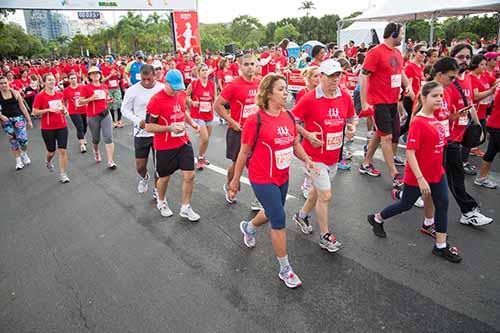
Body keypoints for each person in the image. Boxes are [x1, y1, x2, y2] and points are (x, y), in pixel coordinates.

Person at [229, 74, 314, 288]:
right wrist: (235, 180)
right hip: (261, 178)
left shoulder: (288, 116)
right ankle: (285, 269)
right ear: (268, 93)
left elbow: (295, 144)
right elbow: (243, 152)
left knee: (270, 212)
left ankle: (248, 227)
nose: (286, 93)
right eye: (281, 89)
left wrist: (306, 159)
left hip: (282, 176)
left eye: (286, 89)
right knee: (278, 217)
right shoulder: (255, 120)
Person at [367, 81, 462, 264]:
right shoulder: (418, 121)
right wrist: (421, 179)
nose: (439, 99)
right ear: (424, 97)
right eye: (435, 96)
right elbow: (410, 152)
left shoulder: (435, 118)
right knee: (406, 204)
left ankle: (440, 246)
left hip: (437, 173)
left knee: (443, 204)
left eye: (441, 96)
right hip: (418, 175)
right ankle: (377, 218)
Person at [291, 60, 356, 252]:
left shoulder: (345, 96)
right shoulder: (310, 98)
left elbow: (351, 117)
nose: (335, 79)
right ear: (321, 77)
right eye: (331, 76)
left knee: (316, 193)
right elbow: (291, 120)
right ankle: (325, 236)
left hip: (333, 155)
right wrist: (308, 135)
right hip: (313, 157)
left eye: (338, 75)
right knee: (325, 195)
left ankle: (301, 216)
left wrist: (351, 127)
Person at [359, 23, 415, 187]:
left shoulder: (397, 52)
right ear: (394, 33)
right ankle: (394, 174)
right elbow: (363, 77)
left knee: (383, 133)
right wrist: (364, 104)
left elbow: (401, 72)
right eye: (402, 33)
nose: (403, 37)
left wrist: (408, 86)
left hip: (392, 102)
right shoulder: (375, 52)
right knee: (387, 136)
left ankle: (366, 163)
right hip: (379, 102)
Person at [445, 44, 493, 226]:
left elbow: (470, 103)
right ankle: (468, 211)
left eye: (467, 57)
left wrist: (478, 126)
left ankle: (407, 193)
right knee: (455, 177)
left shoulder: (468, 80)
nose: (464, 60)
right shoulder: (447, 83)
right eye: (460, 57)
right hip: (447, 139)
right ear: (452, 58)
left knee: (439, 176)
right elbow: (443, 114)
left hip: (460, 135)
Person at [145, 69, 201, 220]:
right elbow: (149, 127)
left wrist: (192, 123)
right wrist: (169, 128)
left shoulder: (181, 94)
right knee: (164, 178)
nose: (177, 91)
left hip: (183, 141)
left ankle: (185, 207)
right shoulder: (156, 101)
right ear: (166, 82)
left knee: (190, 175)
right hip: (164, 147)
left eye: (179, 88)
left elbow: (183, 112)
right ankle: (161, 201)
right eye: (174, 88)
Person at [214, 54, 262, 210]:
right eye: (246, 64)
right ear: (240, 66)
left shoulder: (259, 83)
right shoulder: (234, 85)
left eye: (252, 64)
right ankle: (230, 186)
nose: (249, 67)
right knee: (236, 165)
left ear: (256, 65)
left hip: (256, 131)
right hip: (238, 131)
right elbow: (218, 105)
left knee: (257, 165)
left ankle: (258, 198)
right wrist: (232, 122)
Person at [122, 64, 164, 196]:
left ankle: (157, 190)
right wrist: (137, 121)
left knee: (159, 167)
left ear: (154, 76)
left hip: (158, 133)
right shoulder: (132, 90)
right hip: (141, 133)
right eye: (143, 79)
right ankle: (144, 177)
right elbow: (125, 110)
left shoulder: (162, 88)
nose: (146, 82)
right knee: (140, 166)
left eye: (149, 79)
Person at [32, 73, 70, 183]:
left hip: (62, 125)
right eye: (49, 80)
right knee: (51, 152)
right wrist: (48, 110)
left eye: (53, 80)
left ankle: (63, 174)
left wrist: (65, 110)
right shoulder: (40, 96)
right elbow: (34, 112)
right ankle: (48, 161)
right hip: (48, 128)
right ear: (44, 82)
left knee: (62, 150)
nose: (52, 82)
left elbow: (62, 106)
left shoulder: (59, 94)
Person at [79, 66, 117, 169]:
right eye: (93, 73)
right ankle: (96, 151)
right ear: (90, 76)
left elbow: (107, 98)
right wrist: (91, 98)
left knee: (108, 137)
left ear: (100, 75)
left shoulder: (104, 86)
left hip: (105, 114)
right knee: (96, 139)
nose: (96, 75)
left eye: (97, 73)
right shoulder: (86, 87)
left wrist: (109, 99)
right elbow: (80, 101)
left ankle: (110, 161)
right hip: (93, 116)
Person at [186, 63, 217, 170]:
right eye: (202, 70)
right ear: (198, 73)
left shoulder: (212, 84)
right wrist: (192, 102)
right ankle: (199, 159)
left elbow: (215, 99)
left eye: (206, 70)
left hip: (209, 113)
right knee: (205, 137)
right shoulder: (193, 84)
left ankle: (202, 156)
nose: (205, 72)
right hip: (198, 114)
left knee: (206, 139)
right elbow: (185, 96)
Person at [0, 76, 33, 170]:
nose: (3, 85)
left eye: (5, 83)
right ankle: (18, 161)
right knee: (13, 141)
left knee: (23, 139)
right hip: (6, 120)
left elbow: (22, 107)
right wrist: (2, 116)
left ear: (8, 83)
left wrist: (29, 120)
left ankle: (24, 153)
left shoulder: (15, 93)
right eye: (1, 83)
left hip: (18, 118)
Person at [469, 54, 499, 157]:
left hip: (483, 111)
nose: (484, 67)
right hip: (474, 112)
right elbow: (476, 96)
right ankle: (467, 156)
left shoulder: (484, 75)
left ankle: (473, 149)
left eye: (485, 64)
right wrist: (490, 91)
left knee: (482, 135)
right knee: (474, 135)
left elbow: (495, 82)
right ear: (475, 65)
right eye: (482, 64)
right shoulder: (471, 77)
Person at [475, 87, 500, 189]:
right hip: (497, 126)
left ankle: (481, 178)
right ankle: (481, 178)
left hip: (495, 124)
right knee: (491, 151)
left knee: (491, 151)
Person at [63, 72, 88, 153]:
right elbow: (64, 101)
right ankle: (82, 144)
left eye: (74, 78)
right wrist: (65, 109)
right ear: (68, 80)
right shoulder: (66, 90)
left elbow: (87, 97)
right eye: (71, 78)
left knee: (84, 126)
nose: (73, 80)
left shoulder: (82, 87)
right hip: (73, 111)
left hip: (84, 109)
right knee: (79, 126)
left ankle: (83, 137)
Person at [102, 56, 124, 128]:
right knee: (110, 104)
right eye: (106, 61)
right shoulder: (103, 69)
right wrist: (110, 75)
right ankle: (114, 121)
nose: (106, 63)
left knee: (118, 103)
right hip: (108, 88)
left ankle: (119, 120)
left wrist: (117, 74)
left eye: (108, 61)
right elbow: (102, 80)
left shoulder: (115, 67)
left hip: (116, 87)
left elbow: (120, 77)